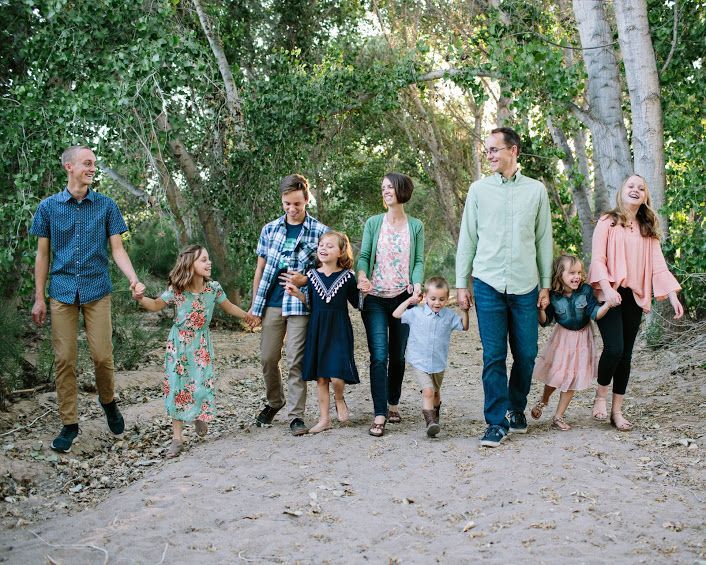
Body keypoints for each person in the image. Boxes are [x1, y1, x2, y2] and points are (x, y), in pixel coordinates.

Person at [30, 145, 145, 453]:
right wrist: (39, 298)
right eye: (87, 163)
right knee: (64, 359)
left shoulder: (106, 206)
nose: (93, 168)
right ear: (69, 167)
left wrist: (133, 279)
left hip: (97, 290)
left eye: (93, 164)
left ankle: (108, 402)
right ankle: (69, 424)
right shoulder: (49, 208)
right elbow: (42, 256)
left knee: (102, 357)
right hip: (62, 292)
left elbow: (118, 250)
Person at [455, 127, 553, 448]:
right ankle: (496, 421)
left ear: (514, 151)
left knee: (526, 354)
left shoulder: (536, 191)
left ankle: (516, 407)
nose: (490, 155)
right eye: (488, 151)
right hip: (487, 283)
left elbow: (543, 241)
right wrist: (461, 284)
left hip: (526, 286)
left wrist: (546, 285)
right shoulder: (479, 190)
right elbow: (468, 239)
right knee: (494, 356)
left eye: (495, 150)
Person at [133, 245, 255, 457]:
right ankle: (177, 438)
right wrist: (140, 298)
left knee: (201, 383)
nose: (209, 263)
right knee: (176, 387)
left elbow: (229, 307)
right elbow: (155, 305)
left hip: (201, 343)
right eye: (203, 260)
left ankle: (199, 414)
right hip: (179, 343)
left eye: (208, 259)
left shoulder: (213, 288)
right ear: (190, 264)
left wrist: (248, 316)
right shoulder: (177, 290)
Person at [588, 174, 683, 431]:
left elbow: (657, 265)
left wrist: (672, 294)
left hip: (634, 296)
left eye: (641, 188)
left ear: (645, 196)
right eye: (631, 186)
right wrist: (606, 289)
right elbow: (597, 258)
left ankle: (616, 412)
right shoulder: (608, 221)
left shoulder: (647, 227)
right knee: (614, 348)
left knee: (626, 355)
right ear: (622, 190)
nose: (635, 190)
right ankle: (600, 398)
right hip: (609, 293)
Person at [249, 174, 329, 436]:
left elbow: (326, 270)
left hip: (299, 303)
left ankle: (296, 416)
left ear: (307, 200)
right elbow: (260, 269)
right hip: (271, 302)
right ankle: (275, 401)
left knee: (295, 359)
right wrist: (254, 306)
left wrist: (304, 279)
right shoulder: (270, 229)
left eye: (297, 204)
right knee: (268, 357)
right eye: (287, 204)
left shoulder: (320, 232)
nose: (292, 209)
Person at [357, 172, 424, 438]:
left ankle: (393, 403)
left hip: (403, 299)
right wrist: (362, 275)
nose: (385, 191)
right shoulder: (374, 223)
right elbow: (363, 256)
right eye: (382, 187)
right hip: (375, 298)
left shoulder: (416, 225)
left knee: (397, 357)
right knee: (379, 356)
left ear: (401, 190)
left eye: (389, 187)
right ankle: (379, 413)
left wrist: (417, 283)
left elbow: (417, 261)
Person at [285, 231, 360, 434]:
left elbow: (357, 303)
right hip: (318, 329)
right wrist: (298, 294)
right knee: (321, 378)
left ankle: (339, 398)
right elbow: (312, 303)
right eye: (321, 245)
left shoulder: (347, 277)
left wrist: (366, 291)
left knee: (336, 375)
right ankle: (324, 419)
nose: (324, 248)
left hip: (339, 329)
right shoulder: (312, 275)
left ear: (341, 252)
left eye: (330, 246)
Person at [530, 255, 612, 430]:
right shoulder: (553, 296)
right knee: (557, 374)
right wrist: (541, 310)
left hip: (582, 339)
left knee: (572, 377)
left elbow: (594, 313)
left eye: (579, 272)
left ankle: (558, 416)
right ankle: (544, 401)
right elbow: (545, 321)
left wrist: (607, 306)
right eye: (572, 272)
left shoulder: (586, 291)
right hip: (562, 339)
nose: (577, 276)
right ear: (560, 275)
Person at [393, 276, 469, 437]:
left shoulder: (448, 316)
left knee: (435, 392)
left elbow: (464, 326)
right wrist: (411, 300)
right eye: (433, 298)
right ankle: (430, 423)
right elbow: (396, 314)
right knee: (428, 391)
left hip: (438, 363)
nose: (437, 303)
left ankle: (435, 415)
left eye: (441, 299)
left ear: (447, 299)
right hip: (419, 361)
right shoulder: (416, 313)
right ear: (425, 297)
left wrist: (465, 311)